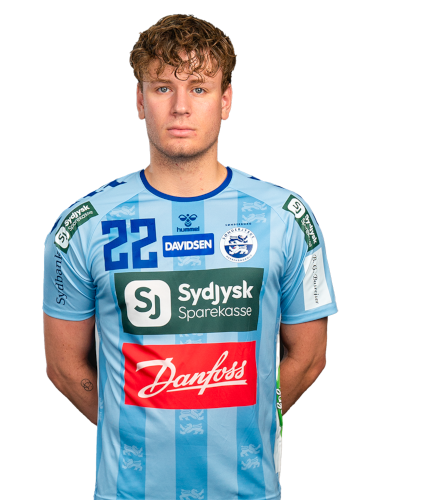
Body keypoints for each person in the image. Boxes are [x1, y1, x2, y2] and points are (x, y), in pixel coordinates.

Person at [42, 13, 338, 500]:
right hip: (128, 492)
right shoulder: (84, 224)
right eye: (163, 88)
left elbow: (308, 359)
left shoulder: (287, 217)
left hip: (249, 491)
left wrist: (245, 422)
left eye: (199, 88)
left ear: (226, 102)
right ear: (140, 102)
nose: (180, 107)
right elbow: (63, 367)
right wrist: (131, 427)